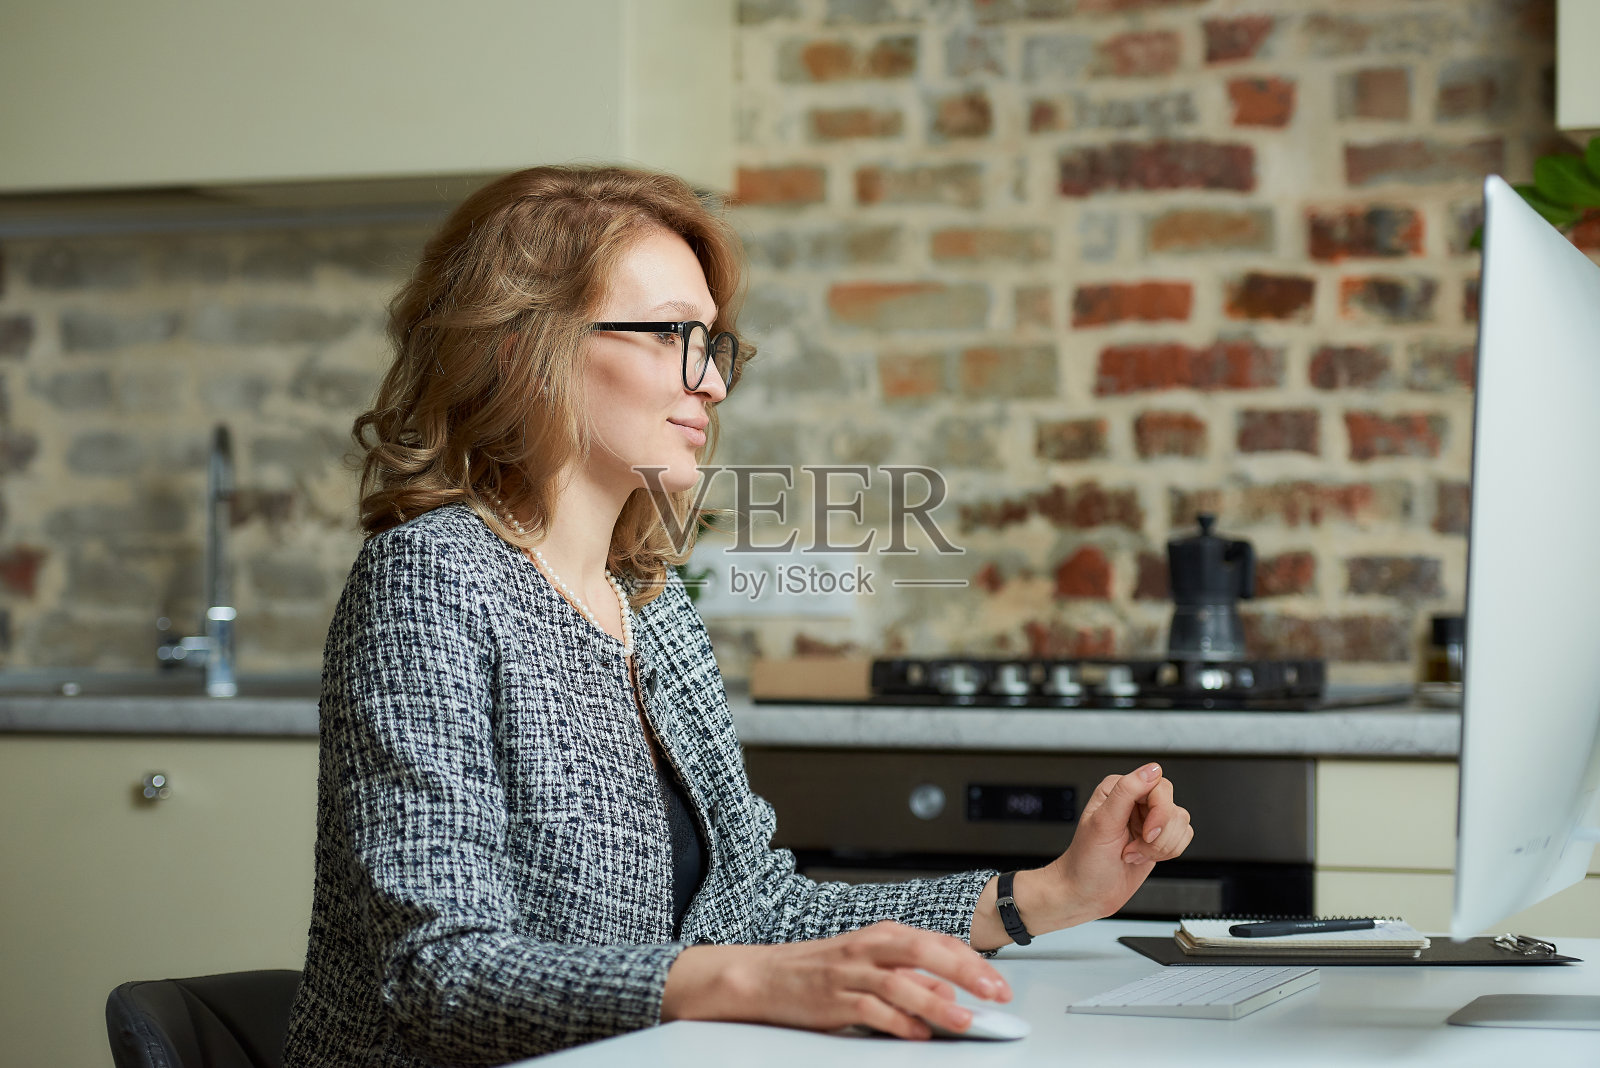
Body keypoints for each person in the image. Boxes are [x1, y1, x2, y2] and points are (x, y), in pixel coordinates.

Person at [282, 165, 1194, 1067]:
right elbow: (437, 972)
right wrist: (742, 981)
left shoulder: (650, 602)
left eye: (713, 344)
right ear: (523, 347)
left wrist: (1047, 896)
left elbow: (758, 913)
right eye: (672, 335)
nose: (713, 383)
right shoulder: (432, 577)